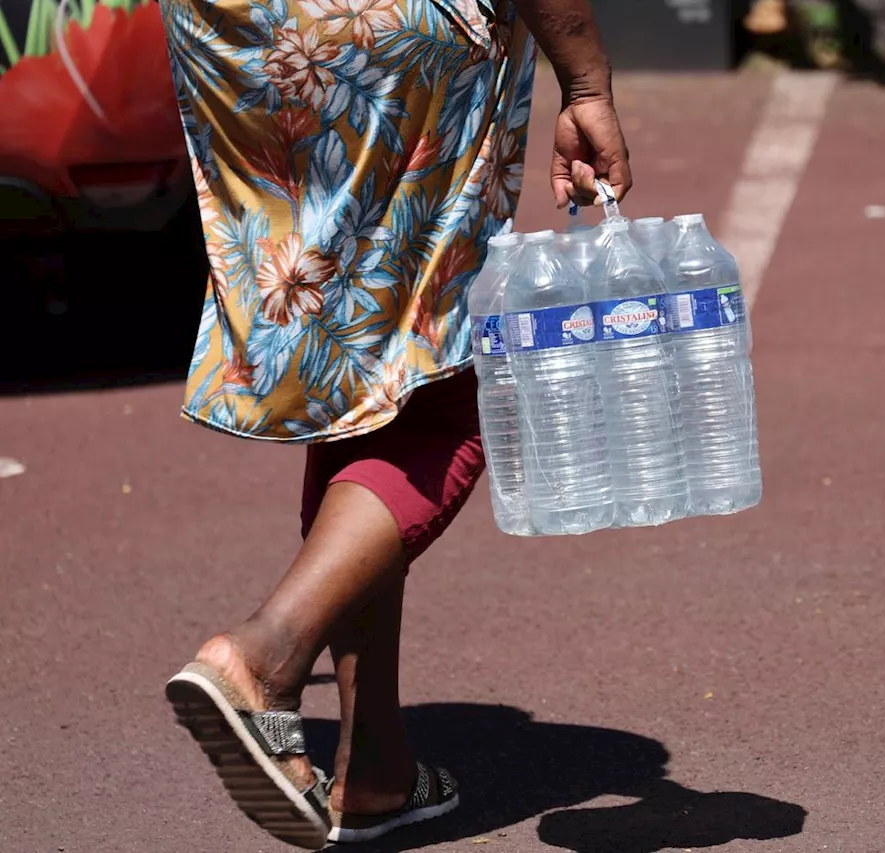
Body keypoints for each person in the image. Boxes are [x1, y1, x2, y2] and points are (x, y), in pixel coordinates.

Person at [158, 0, 631, 846]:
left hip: (235, 33)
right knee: (449, 387)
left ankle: (373, 764)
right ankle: (264, 658)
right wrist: (587, 82)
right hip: (384, 28)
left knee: (367, 361)